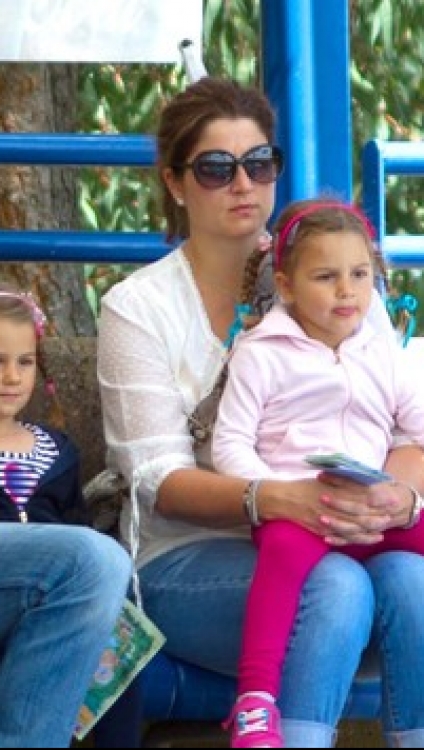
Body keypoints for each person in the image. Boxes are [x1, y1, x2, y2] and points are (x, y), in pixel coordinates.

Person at [97, 75, 424, 749]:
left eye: (259, 162)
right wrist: (277, 499)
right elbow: (158, 481)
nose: (243, 183)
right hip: (186, 557)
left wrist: (393, 498)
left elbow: (405, 427)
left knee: (410, 576)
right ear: (175, 181)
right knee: (335, 588)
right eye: (216, 168)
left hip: (345, 532)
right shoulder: (138, 308)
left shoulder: (332, 268)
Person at [212, 197, 424, 747]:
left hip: (372, 510)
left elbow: (418, 426)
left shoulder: (383, 351)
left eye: (360, 275)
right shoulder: (260, 353)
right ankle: (255, 700)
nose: (347, 291)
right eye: (326, 277)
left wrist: (402, 498)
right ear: (286, 285)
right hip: (299, 512)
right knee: (281, 556)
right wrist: (281, 494)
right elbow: (229, 443)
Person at [0, 281, 132, 748]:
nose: (13, 377)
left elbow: (77, 528)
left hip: (50, 598)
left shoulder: (56, 449)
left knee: (117, 633)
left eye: (25, 361)